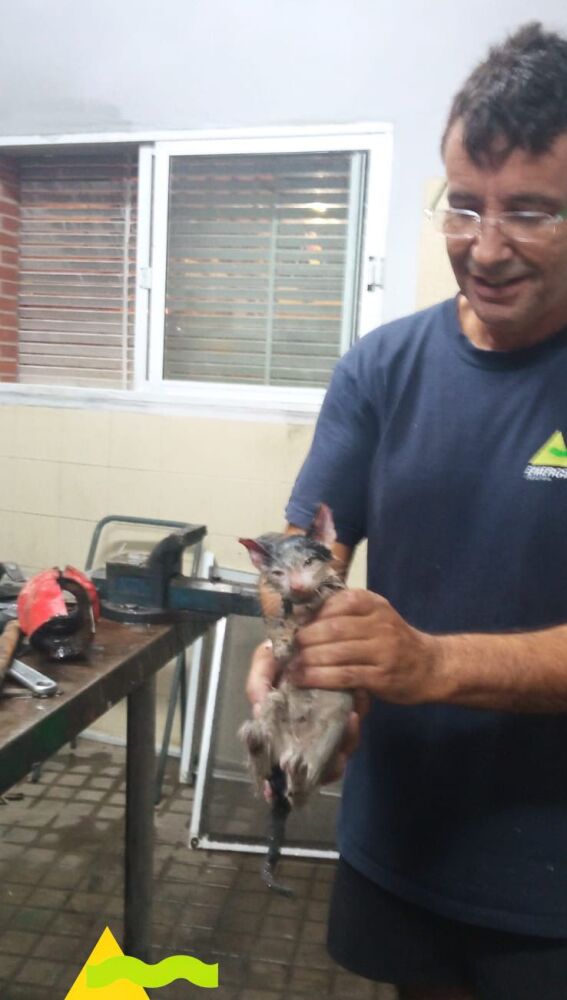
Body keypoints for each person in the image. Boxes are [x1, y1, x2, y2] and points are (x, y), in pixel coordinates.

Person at [245, 21, 567, 1000]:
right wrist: (298, 649)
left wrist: (427, 663)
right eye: (463, 204)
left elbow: (422, 659)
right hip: (405, 841)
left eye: (530, 212)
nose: (486, 245)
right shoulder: (382, 368)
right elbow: (293, 559)